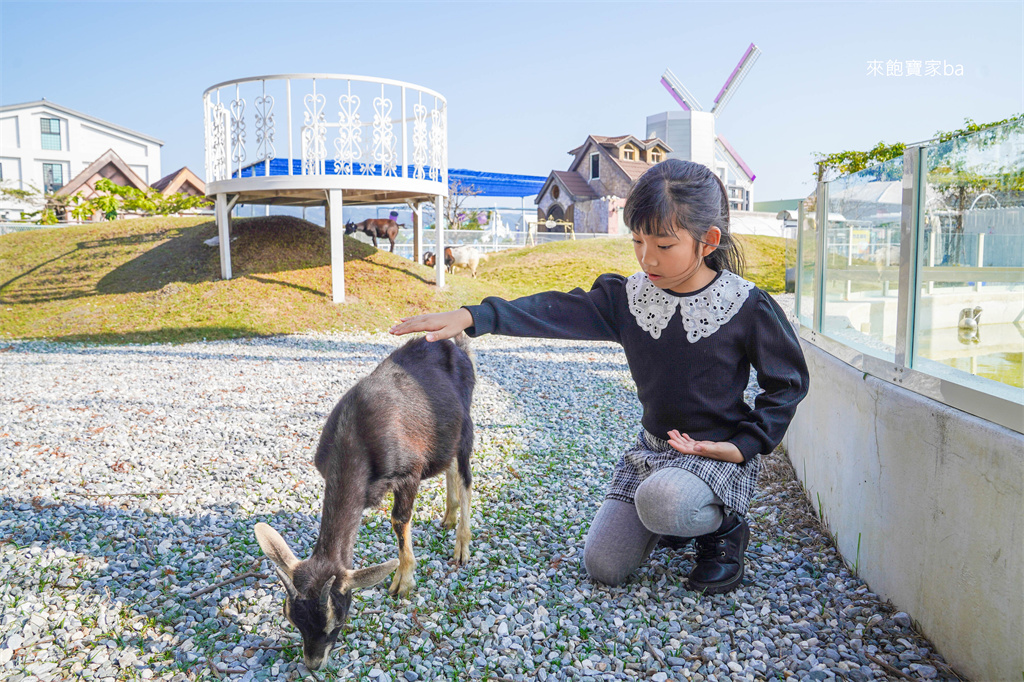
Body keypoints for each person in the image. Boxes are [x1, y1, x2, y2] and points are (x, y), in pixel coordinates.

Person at [390, 159, 809, 594]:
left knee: (662, 501)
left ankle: (723, 532)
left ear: (709, 242)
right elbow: (554, 310)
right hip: (654, 451)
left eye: (664, 245)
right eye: (638, 241)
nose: (647, 257)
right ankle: (672, 514)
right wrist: (473, 315)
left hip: (716, 455)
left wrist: (743, 446)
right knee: (604, 566)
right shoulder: (631, 297)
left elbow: (789, 382)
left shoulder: (744, 304)